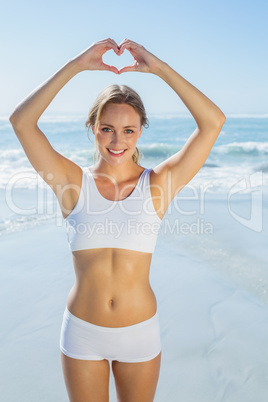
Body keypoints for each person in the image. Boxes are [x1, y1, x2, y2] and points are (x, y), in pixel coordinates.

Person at [9, 38, 226, 402]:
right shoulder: (71, 183)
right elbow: (21, 121)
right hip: (82, 332)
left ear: (141, 131)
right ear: (93, 126)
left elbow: (213, 122)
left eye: (128, 130)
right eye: (107, 128)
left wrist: (159, 69)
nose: (117, 140)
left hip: (139, 333)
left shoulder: (157, 185)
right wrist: (77, 65)